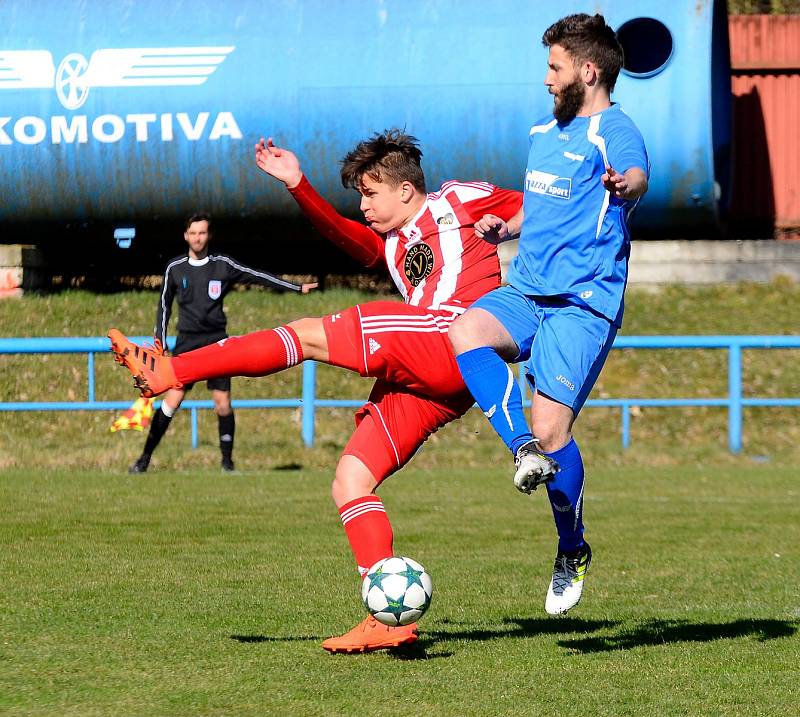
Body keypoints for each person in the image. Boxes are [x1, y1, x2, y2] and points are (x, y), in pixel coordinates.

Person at [110, 128, 522, 652]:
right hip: (433, 376)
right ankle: (389, 622)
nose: (364, 207)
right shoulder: (393, 243)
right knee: (351, 480)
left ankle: (171, 372)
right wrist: (298, 184)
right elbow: (345, 235)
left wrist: (506, 225)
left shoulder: (459, 199)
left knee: (305, 334)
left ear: (405, 190)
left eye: (370, 195)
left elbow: (544, 210)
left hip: (451, 335)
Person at [448, 14, 649, 616]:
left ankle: (572, 548)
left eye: (554, 67)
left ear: (588, 71)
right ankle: (521, 451)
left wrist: (626, 185)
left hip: (583, 303)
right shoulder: (544, 129)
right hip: (528, 288)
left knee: (555, 429)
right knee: (466, 332)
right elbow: (544, 208)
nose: (545, 79)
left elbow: (636, 175)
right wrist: (506, 226)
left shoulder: (614, 128)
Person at [126, 213, 317, 474]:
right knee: (172, 400)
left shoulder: (222, 265)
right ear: (185, 236)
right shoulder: (175, 268)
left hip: (217, 342)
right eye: (193, 233)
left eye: (202, 233)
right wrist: (160, 340)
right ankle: (144, 458)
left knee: (222, 401)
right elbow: (163, 307)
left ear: (209, 235)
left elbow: (255, 275)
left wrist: (295, 287)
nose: (197, 238)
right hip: (187, 343)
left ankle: (227, 463)